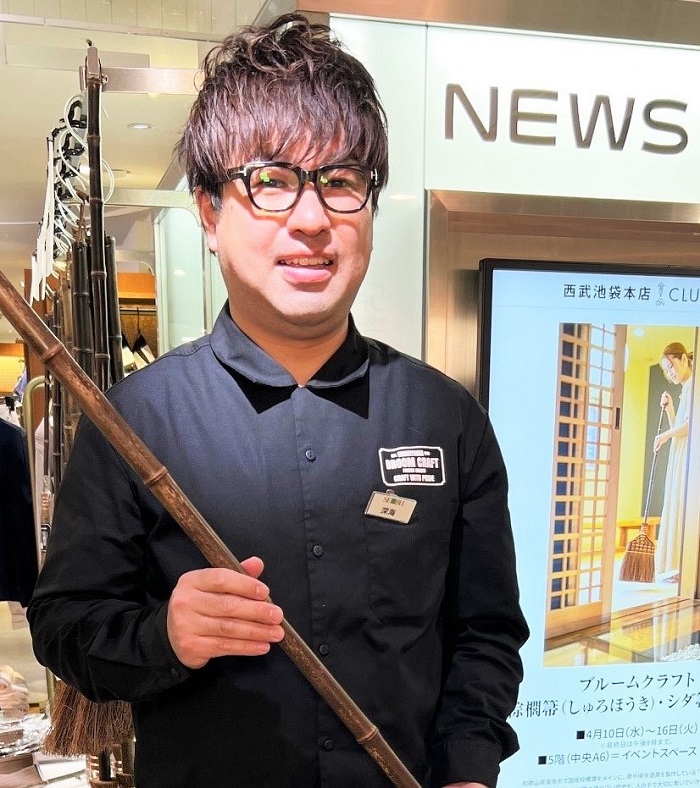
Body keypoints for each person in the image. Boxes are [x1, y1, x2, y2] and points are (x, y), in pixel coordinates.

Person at [28, 14, 527, 788]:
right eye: (271, 182)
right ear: (208, 211)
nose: (312, 219)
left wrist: (467, 771)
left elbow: (485, 633)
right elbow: (64, 627)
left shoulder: (444, 417)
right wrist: (166, 634)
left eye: (341, 182)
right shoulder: (135, 420)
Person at [653, 341, 693, 583]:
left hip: (689, 456)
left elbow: (692, 426)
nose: (670, 373)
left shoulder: (695, 386)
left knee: (686, 507)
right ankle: (681, 568)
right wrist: (669, 408)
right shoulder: (686, 389)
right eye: (666, 371)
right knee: (678, 504)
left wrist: (664, 436)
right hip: (680, 454)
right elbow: (679, 428)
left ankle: (686, 569)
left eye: (671, 366)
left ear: (684, 359)